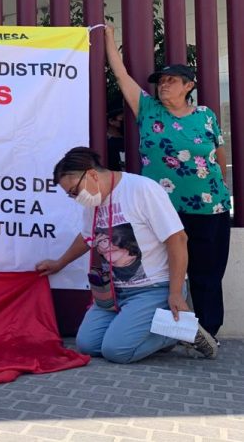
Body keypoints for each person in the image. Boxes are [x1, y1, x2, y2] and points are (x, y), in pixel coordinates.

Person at [104, 25, 231, 341]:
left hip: (210, 208)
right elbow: (121, 76)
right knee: (159, 275)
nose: (163, 85)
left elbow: (218, 157)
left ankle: (206, 333)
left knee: (207, 273)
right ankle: (163, 333)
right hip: (161, 212)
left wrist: (219, 191)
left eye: (171, 81)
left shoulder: (206, 116)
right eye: (161, 81)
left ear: (188, 85)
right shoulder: (147, 110)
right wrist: (109, 38)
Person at [35, 147, 217, 364]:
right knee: (87, 344)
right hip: (114, 291)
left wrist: (175, 293)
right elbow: (87, 238)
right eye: (71, 195)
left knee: (116, 351)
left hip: (154, 288)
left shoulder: (142, 189)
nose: (76, 198)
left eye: (75, 191)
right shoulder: (94, 200)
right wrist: (59, 263)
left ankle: (177, 331)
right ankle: (150, 330)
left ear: (92, 174)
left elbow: (177, 239)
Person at [106, 101, 125, 171]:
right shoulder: (107, 146)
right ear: (111, 121)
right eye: (122, 118)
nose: (124, 121)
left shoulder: (128, 142)